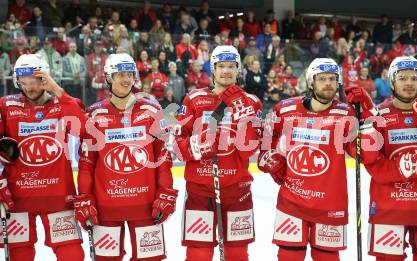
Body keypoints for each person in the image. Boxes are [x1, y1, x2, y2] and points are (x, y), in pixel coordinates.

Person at [258, 58, 381, 260]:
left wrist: (367, 115)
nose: (328, 83)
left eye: (333, 79)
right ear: (310, 82)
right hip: (292, 202)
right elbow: (264, 144)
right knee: (289, 256)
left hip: (330, 205)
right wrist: (271, 162)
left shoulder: (347, 114)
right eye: (322, 78)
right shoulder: (285, 109)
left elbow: (366, 155)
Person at [74, 53, 178, 260]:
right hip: (105, 210)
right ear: (108, 77)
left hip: (146, 208)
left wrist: (165, 192)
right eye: (119, 74)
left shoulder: (151, 111)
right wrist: (84, 198)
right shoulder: (94, 115)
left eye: (129, 74)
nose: (125, 79)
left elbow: (163, 158)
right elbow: (86, 165)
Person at [173, 45, 262, 261]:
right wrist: (200, 145)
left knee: (237, 254)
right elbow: (177, 146)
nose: (226, 71)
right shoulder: (193, 99)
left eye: (231, 66)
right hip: (199, 191)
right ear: (212, 69)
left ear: (238, 70)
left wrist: (240, 111)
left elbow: (249, 149)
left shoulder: (251, 102)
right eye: (221, 66)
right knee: (198, 254)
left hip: (237, 191)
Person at [0, 54, 85, 260]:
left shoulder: (64, 103)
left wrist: (57, 90)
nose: (29, 88)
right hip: (17, 199)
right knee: (20, 255)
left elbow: (82, 129)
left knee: (72, 256)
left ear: (46, 78)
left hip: (57, 196)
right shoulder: (5, 105)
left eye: (35, 81)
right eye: (23, 82)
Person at [364, 56, 417, 260]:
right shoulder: (376, 116)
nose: (409, 83)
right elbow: (371, 163)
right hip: (389, 206)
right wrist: (403, 167)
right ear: (392, 81)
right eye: (403, 77)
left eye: (414, 78)